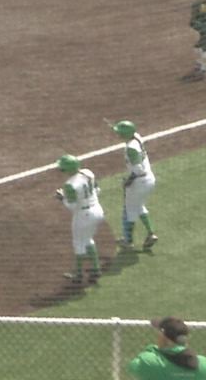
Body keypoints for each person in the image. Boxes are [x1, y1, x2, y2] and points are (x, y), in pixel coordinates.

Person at [55, 154, 104, 285]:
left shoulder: (70, 185)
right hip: (97, 210)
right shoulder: (88, 173)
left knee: (79, 243)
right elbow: (97, 189)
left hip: (84, 215)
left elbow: (72, 206)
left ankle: (78, 273)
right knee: (88, 240)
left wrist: (62, 198)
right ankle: (96, 268)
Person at [113, 120, 158, 251]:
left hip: (139, 182)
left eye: (119, 133)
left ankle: (128, 241)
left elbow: (138, 169)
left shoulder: (131, 149)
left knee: (129, 211)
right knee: (139, 206)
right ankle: (150, 233)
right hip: (149, 179)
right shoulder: (137, 137)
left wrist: (128, 181)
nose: (118, 135)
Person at [127, 317, 206, 378]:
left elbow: (133, 367)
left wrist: (153, 349)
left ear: (164, 337)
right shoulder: (203, 364)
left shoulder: (149, 361)